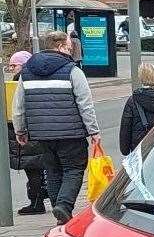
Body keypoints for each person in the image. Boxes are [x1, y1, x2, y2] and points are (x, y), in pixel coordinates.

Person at [12, 29, 101, 225]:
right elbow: (85, 104)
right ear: (60, 46)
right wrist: (93, 131)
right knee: (74, 169)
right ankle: (64, 205)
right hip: (71, 133)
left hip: (42, 134)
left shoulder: (26, 73)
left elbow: (18, 105)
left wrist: (20, 129)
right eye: (69, 47)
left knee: (52, 171)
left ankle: (59, 211)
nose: (70, 51)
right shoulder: (73, 71)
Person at [6, 51, 48, 215]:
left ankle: (36, 202)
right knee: (37, 168)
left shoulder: (20, 81)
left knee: (33, 169)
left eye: (14, 65)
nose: (11, 68)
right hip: (39, 129)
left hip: (26, 133)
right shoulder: (36, 78)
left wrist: (19, 130)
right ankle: (42, 198)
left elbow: (17, 110)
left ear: (23, 65)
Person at [119, 63, 154, 155]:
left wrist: (125, 151)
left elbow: (126, 128)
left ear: (141, 77)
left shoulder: (133, 101)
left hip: (139, 150)